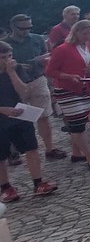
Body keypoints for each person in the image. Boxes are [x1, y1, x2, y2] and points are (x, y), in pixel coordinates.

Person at [0, 41, 59, 203]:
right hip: (2, 118)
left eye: (9, 56)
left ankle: (38, 182)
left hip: (20, 114)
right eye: (3, 57)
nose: (7, 60)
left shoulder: (16, 69)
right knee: (1, 156)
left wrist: (12, 73)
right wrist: (3, 109)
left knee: (31, 148)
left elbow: (24, 92)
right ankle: (5, 187)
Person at [3, 14, 65, 159]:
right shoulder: (4, 43)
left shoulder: (37, 39)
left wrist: (44, 61)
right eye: (22, 28)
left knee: (43, 116)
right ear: (13, 27)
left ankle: (50, 148)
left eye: (29, 27)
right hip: (14, 83)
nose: (26, 31)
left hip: (37, 78)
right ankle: (14, 152)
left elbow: (46, 55)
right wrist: (15, 67)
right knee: (15, 118)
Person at [45, 19, 90, 168]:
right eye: (84, 33)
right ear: (75, 32)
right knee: (76, 125)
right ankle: (89, 156)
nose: (88, 36)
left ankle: (77, 153)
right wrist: (68, 76)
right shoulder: (62, 49)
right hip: (67, 89)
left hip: (85, 86)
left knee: (81, 121)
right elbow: (50, 71)